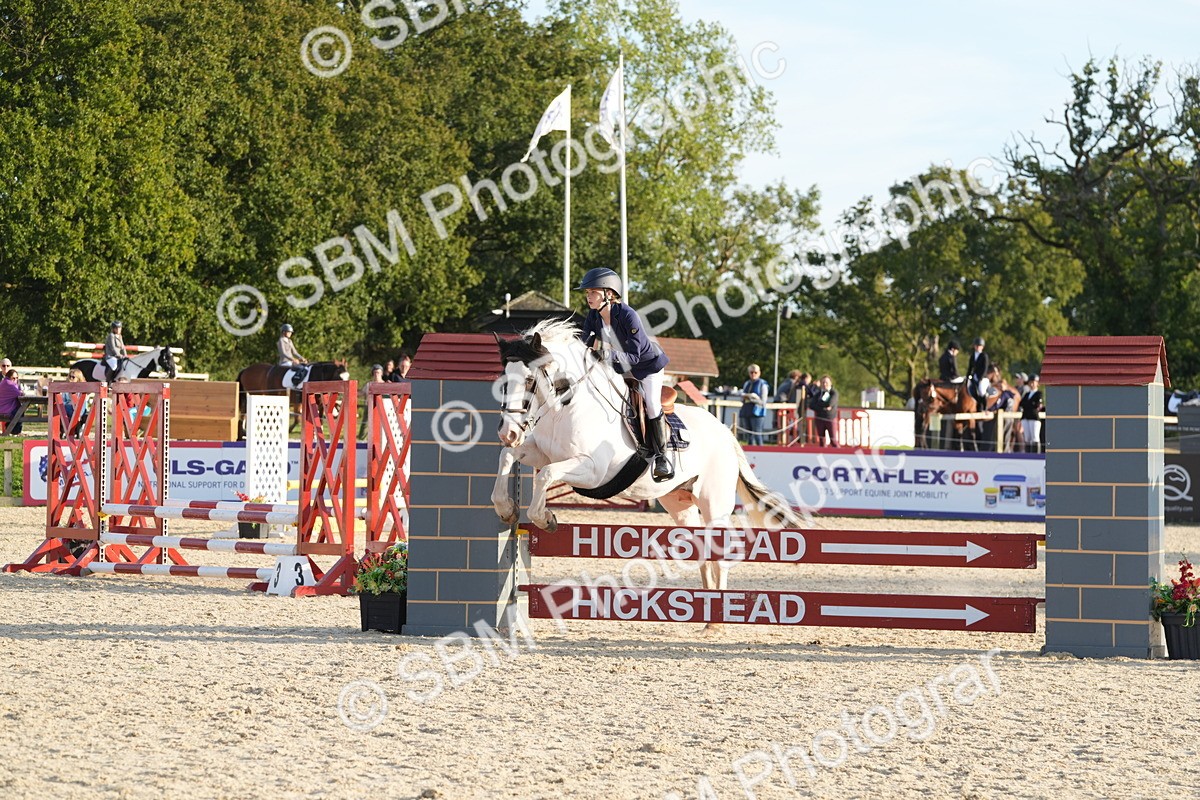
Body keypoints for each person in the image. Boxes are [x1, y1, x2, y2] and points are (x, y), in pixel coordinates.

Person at [577, 267, 674, 482]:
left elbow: (634, 357)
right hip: (620, 366)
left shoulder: (629, 316)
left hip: (648, 367)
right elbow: (584, 342)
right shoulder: (593, 316)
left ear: (609, 294)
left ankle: (661, 458)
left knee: (651, 403)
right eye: (587, 293)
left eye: (592, 292)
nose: (588, 297)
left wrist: (602, 349)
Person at [739, 364, 770, 446]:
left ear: (759, 373)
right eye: (751, 372)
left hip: (757, 412)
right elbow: (742, 399)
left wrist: (752, 398)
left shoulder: (762, 384)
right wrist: (744, 397)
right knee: (748, 435)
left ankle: (761, 452)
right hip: (746, 411)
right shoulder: (747, 383)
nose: (753, 374)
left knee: (757, 434)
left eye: (755, 372)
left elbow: (763, 402)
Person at [809, 374, 839, 446]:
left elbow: (830, 403)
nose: (824, 384)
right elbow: (811, 405)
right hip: (819, 418)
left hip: (830, 418)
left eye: (826, 382)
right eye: (823, 382)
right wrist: (823, 408)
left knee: (833, 440)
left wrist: (819, 405)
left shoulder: (833, 393)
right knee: (822, 440)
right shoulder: (819, 394)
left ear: (830, 383)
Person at [1020, 375, 1045, 453]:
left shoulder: (1038, 393)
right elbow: (1022, 403)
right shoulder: (1027, 394)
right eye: (1030, 382)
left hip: (1034, 417)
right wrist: (1030, 403)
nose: (1031, 384)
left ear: (1037, 383)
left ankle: (1036, 454)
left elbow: (1036, 404)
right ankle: (1028, 453)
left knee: (1035, 437)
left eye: (1033, 382)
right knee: (1027, 437)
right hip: (1026, 416)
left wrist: (1028, 404)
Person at [0, 369, 24, 434]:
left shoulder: (4, 382)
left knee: (20, 409)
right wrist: (21, 392)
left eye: (16, 378)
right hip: (5, 410)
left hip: (3, 408)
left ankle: (10, 428)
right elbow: (19, 394)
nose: (15, 380)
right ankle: (13, 430)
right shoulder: (9, 384)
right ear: (9, 377)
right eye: (13, 378)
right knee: (21, 410)